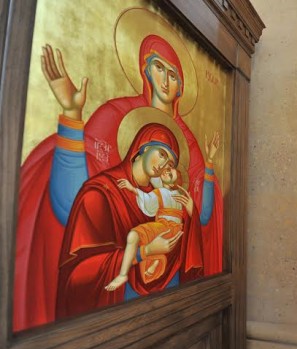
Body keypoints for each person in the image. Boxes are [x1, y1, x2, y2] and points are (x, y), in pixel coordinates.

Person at [15, 34, 222, 332]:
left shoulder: (171, 180)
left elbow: (201, 217)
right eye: (158, 68)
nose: (164, 81)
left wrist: (201, 186)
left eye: (173, 74)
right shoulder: (105, 186)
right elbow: (69, 202)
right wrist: (73, 115)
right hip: (113, 323)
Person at [56, 123, 204, 319]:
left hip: (162, 312)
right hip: (115, 317)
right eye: (161, 153)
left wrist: (192, 213)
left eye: (170, 163)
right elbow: (78, 275)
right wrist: (146, 252)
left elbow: (185, 246)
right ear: (142, 147)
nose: (164, 165)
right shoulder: (101, 193)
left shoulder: (161, 199)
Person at [105, 166, 197, 291]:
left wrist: (132, 189)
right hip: (173, 231)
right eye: (167, 170)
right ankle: (156, 261)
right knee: (144, 241)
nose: (167, 171)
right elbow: (151, 194)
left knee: (134, 235)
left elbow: (148, 200)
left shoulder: (167, 193)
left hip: (165, 227)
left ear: (176, 181)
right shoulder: (170, 194)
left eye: (170, 173)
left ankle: (123, 274)